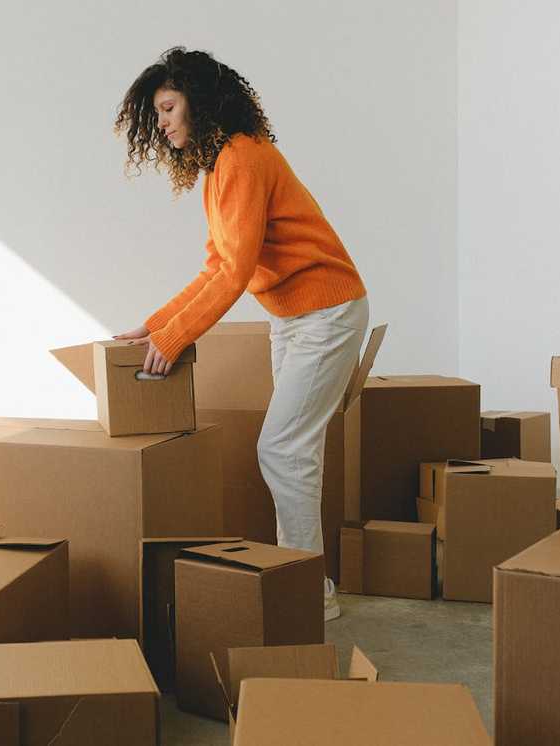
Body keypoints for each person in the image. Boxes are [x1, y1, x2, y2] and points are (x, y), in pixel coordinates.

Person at [113, 47, 368, 621]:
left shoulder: (243, 157)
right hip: (293, 317)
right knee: (294, 452)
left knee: (282, 449)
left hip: (326, 315)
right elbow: (216, 265)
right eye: (157, 114)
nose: (163, 123)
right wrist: (153, 325)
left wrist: (173, 339)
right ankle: (306, 584)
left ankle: (306, 595)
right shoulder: (220, 169)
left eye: (169, 108)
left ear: (199, 104)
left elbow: (234, 270)